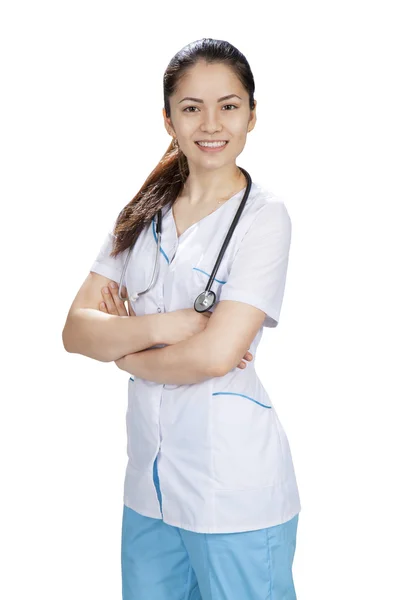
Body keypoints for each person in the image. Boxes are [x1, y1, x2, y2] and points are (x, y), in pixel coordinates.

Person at [62, 38, 301, 600]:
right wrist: (163, 329)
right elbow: (75, 330)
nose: (211, 123)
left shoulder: (265, 218)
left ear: (252, 115)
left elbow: (217, 356)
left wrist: (119, 350)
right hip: (150, 490)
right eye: (191, 107)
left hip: (235, 491)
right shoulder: (141, 215)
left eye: (229, 105)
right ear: (168, 119)